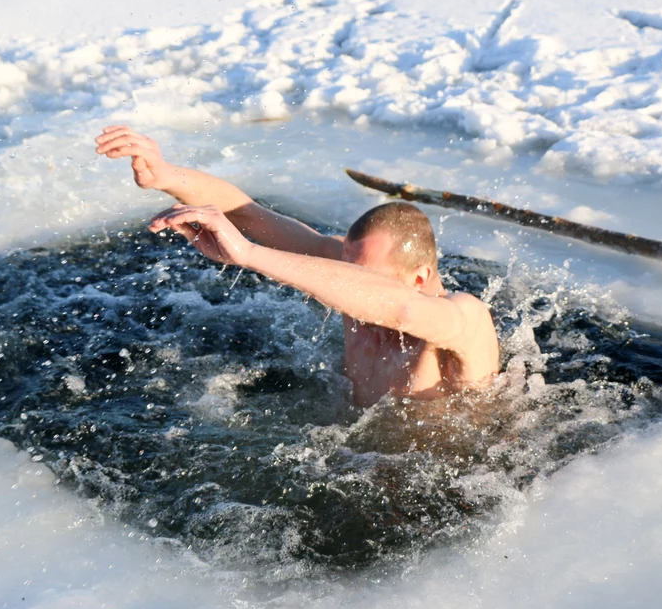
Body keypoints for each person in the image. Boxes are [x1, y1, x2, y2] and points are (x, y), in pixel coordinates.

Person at [95, 125, 500, 407]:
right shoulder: (348, 265)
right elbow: (250, 215)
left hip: (448, 477)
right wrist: (166, 175)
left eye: (360, 275)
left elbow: (401, 308)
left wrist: (249, 256)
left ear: (419, 277)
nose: (346, 281)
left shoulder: (463, 320)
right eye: (347, 266)